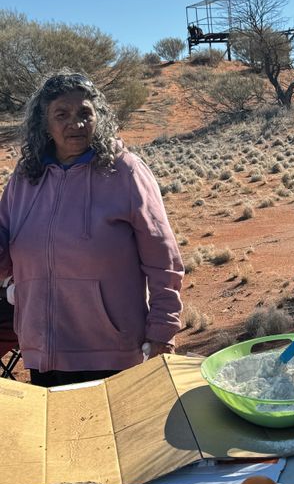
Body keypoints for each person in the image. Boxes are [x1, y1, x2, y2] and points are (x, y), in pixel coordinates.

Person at [0, 73, 183, 387]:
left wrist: (163, 331)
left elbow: (163, 259)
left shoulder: (125, 171)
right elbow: (5, 247)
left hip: (112, 353)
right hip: (44, 350)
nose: (77, 123)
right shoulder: (25, 178)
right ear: (44, 123)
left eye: (86, 113)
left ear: (99, 118)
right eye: (63, 114)